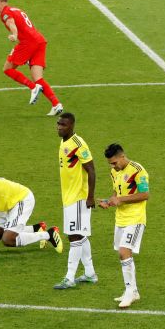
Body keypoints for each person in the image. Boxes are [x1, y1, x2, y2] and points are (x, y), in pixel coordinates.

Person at [0, 0, 63, 116]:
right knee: (38, 78)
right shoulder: (16, 9)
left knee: (7, 69)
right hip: (39, 41)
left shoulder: (5, 13)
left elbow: (11, 23)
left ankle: (33, 87)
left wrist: (14, 34)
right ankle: (56, 104)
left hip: (28, 43)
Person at [97, 144, 149, 309]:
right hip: (120, 218)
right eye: (110, 164)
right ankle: (132, 290)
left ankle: (130, 291)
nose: (113, 166)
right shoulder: (114, 172)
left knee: (123, 251)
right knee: (123, 255)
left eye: (114, 163)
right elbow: (117, 193)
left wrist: (121, 200)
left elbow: (144, 194)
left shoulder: (138, 170)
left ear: (122, 156)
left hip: (135, 218)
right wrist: (109, 201)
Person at [53, 112, 98, 289]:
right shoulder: (64, 141)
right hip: (69, 197)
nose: (59, 127)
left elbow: (92, 171)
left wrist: (90, 197)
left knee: (74, 237)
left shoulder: (78, 144)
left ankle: (70, 277)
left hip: (79, 198)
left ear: (71, 126)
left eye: (63, 125)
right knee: (80, 235)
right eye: (58, 124)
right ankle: (90, 273)